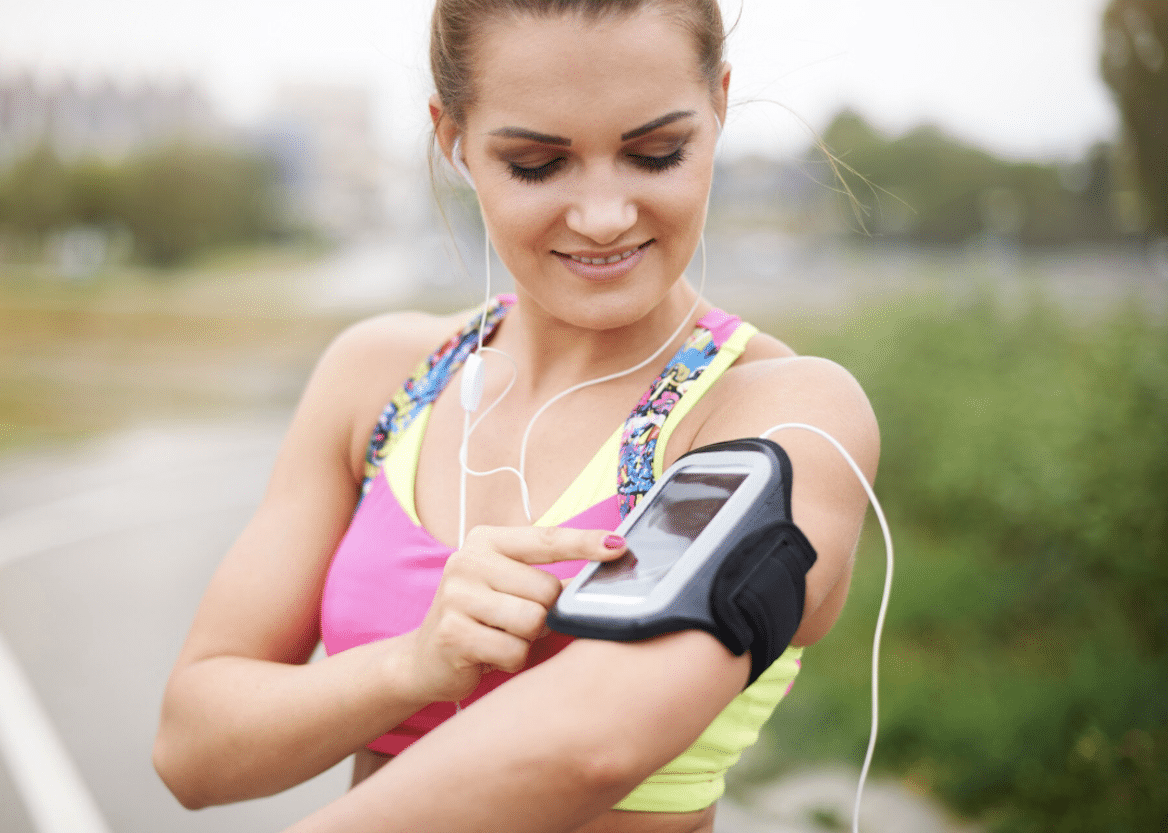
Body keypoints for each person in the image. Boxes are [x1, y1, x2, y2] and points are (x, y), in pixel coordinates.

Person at [152, 1, 878, 831]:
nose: (603, 216)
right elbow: (192, 746)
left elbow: (592, 741)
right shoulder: (377, 376)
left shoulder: (784, 413)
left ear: (718, 102)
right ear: (453, 138)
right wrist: (412, 665)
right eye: (538, 164)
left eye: (656, 153)